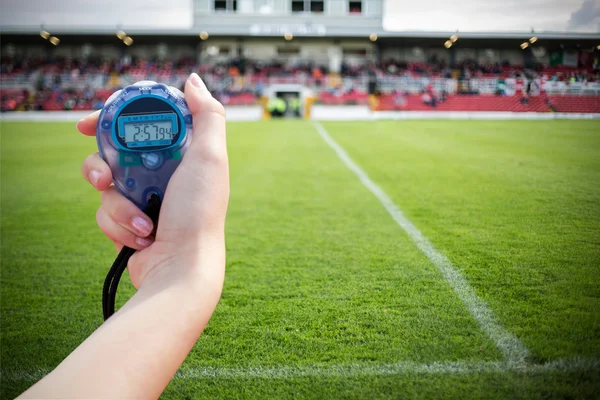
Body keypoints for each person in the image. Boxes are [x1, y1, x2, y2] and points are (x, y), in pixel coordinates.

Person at [18, 73, 230, 399]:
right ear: (111, 132)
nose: (149, 146)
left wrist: (180, 267)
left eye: (155, 131)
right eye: (141, 133)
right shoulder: (164, 116)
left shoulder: (121, 120)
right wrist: (180, 272)